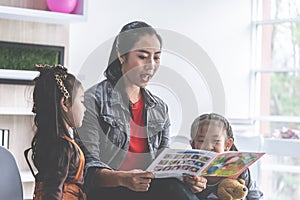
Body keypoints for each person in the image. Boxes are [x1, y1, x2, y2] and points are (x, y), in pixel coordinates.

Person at [78, 21, 206, 200]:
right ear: (122, 56)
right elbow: (88, 169)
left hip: (146, 189)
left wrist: (184, 176)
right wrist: (124, 178)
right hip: (107, 191)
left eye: (156, 57)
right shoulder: (92, 101)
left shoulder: (159, 108)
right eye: (143, 56)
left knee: (177, 187)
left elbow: (162, 163)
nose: (151, 65)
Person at [26, 64, 87, 200]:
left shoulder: (53, 142)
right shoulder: (62, 147)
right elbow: (52, 193)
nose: (85, 109)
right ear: (65, 103)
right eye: (82, 101)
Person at [189, 113, 263, 200]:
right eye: (201, 141)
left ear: (228, 144)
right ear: (193, 144)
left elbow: (256, 196)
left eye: (215, 141)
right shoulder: (189, 174)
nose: (208, 146)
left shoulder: (240, 170)